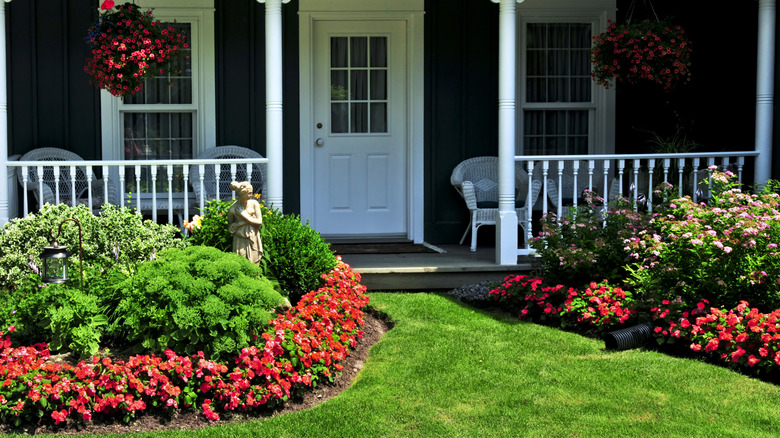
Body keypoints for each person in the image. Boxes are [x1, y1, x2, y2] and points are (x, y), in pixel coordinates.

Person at [227, 181, 263, 265]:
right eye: (248, 193)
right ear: (241, 194)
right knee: (241, 263)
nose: (250, 195)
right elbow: (230, 228)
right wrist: (241, 223)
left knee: (254, 264)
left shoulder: (254, 204)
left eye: (251, 193)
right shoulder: (232, 209)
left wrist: (244, 215)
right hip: (240, 239)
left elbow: (259, 222)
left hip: (252, 236)